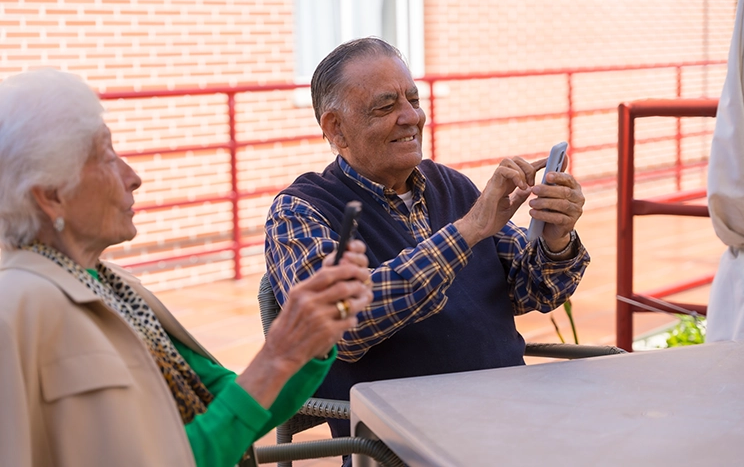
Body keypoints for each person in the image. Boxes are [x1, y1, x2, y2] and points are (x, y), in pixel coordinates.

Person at [0, 68, 373, 467]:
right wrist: (278, 355)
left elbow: (236, 403)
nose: (133, 177)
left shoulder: (111, 285)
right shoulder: (23, 307)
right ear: (51, 196)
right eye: (107, 158)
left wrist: (309, 337)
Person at [264, 37, 590, 444]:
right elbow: (342, 327)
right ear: (336, 128)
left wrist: (556, 237)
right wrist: (467, 230)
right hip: (399, 444)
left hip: (510, 418)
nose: (410, 116)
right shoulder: (300, 211)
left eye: (413, 100)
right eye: (385, 106)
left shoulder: (451, 184)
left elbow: (535, 292)